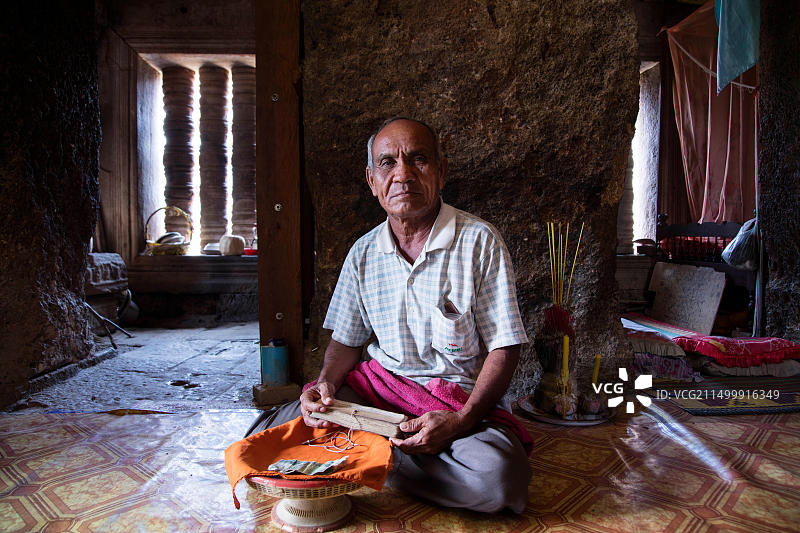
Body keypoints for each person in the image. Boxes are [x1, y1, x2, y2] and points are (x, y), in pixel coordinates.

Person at [246, 117, 531, 513]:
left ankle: (370, 458)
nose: (403, 175)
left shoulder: (479, 241)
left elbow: (505, 348)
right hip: (375, 400)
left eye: (418, 160)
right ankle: (390, 455)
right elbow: (345, 343)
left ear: (442, 171)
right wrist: (325, 385)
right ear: (371, 180)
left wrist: (462, 421)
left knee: (499, 481)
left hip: (451, 406)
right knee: (262, 434)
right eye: (388, 163)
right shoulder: (363, 253)